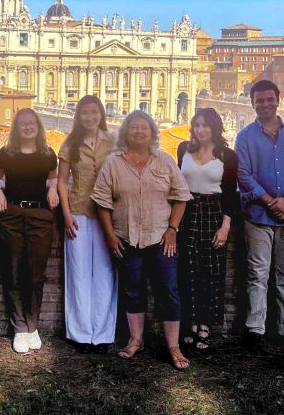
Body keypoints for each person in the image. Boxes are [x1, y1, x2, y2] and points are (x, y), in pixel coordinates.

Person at [92, 110, 192, 370]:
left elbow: (181, 195)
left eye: (144, 128)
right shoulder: (113, 163)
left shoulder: (165, 160)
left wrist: (173, 229)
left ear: (152, 133)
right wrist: (110, 235)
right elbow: (102, 203)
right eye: (133, 127)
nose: (138, 131)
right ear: (125, 132)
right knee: (132, 290)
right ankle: (136, 340)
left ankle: (173, 346)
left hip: (161, 239)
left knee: (168, 291)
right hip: (126, 239)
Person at [235, 80, 284, 351]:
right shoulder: (245, 137)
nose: (265, 104)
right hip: (257, 216)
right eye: (259, 100)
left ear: (277, 100)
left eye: (269, 99)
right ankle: (255, 329)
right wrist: (270, 201)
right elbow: (243, 174)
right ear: (252, 103)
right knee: (257, 274)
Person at [0, 108, 59, 354]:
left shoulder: (48, 154)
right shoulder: (6, 153)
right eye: (23, 124)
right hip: (11, 214)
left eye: (32, 123)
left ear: (38, 127)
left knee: (35, 275)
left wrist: (52, 189)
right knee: (12, 273)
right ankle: (19, 328)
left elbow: (53, 178)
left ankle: (33, 326)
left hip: (40, 215)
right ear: (16, 128)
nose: (28, 127)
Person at [57, 95, 117, 354]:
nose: (90, 117)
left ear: (101, 114)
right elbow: (61, 182)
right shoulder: (70, 144)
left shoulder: (114, 142)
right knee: (78, 273)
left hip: (107, 214)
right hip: (79, 213)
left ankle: (102, 334)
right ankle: (80, 334)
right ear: (78, 116)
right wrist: (66, 214)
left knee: (105, 273)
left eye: (94, 112)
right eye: (85, 113)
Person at [175, 108, 238, 352]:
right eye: (197, 125)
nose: (200, 130)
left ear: (215, 127)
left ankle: (205, 324)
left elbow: (231, 193)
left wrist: (225, 226)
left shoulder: (227, 156)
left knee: (211, 272)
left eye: (205, 125)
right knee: (188, 269)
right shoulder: (184, 150)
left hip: (213, 213)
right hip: (188, 212)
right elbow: (177, 184)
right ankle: (190, 322)